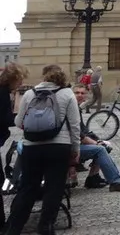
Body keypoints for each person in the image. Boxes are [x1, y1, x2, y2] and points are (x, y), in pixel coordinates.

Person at [6, 65, 80, 235]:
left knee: (28, 188)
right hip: (59, 147)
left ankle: (14, 228)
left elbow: (18, 122)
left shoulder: (30, 93)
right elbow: (75, 126)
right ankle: (46, 226)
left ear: (44, 77)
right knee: (54, 188)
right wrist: (75, 149)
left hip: (32, 148)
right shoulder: (67, 93)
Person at [70, 85, 120, 191]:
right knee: (101, 149)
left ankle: (93, 177)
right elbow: (79, 135)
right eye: (77, 93)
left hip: (75, 145)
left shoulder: (76, 108)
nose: (80, 95)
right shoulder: (72, 109)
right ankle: (115, 182)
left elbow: (84, 131)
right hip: (72, 148)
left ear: (86, 96)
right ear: (71, 94)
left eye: (82, 93)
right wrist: (96, 143)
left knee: (104, 145)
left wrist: (96, 139)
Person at [0, 62, 28, 229]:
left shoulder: (4, 91)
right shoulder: (2, 93)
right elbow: (4, 118)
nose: (21, 83)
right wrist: (21, 118)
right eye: (20, 79)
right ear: (13, 78)